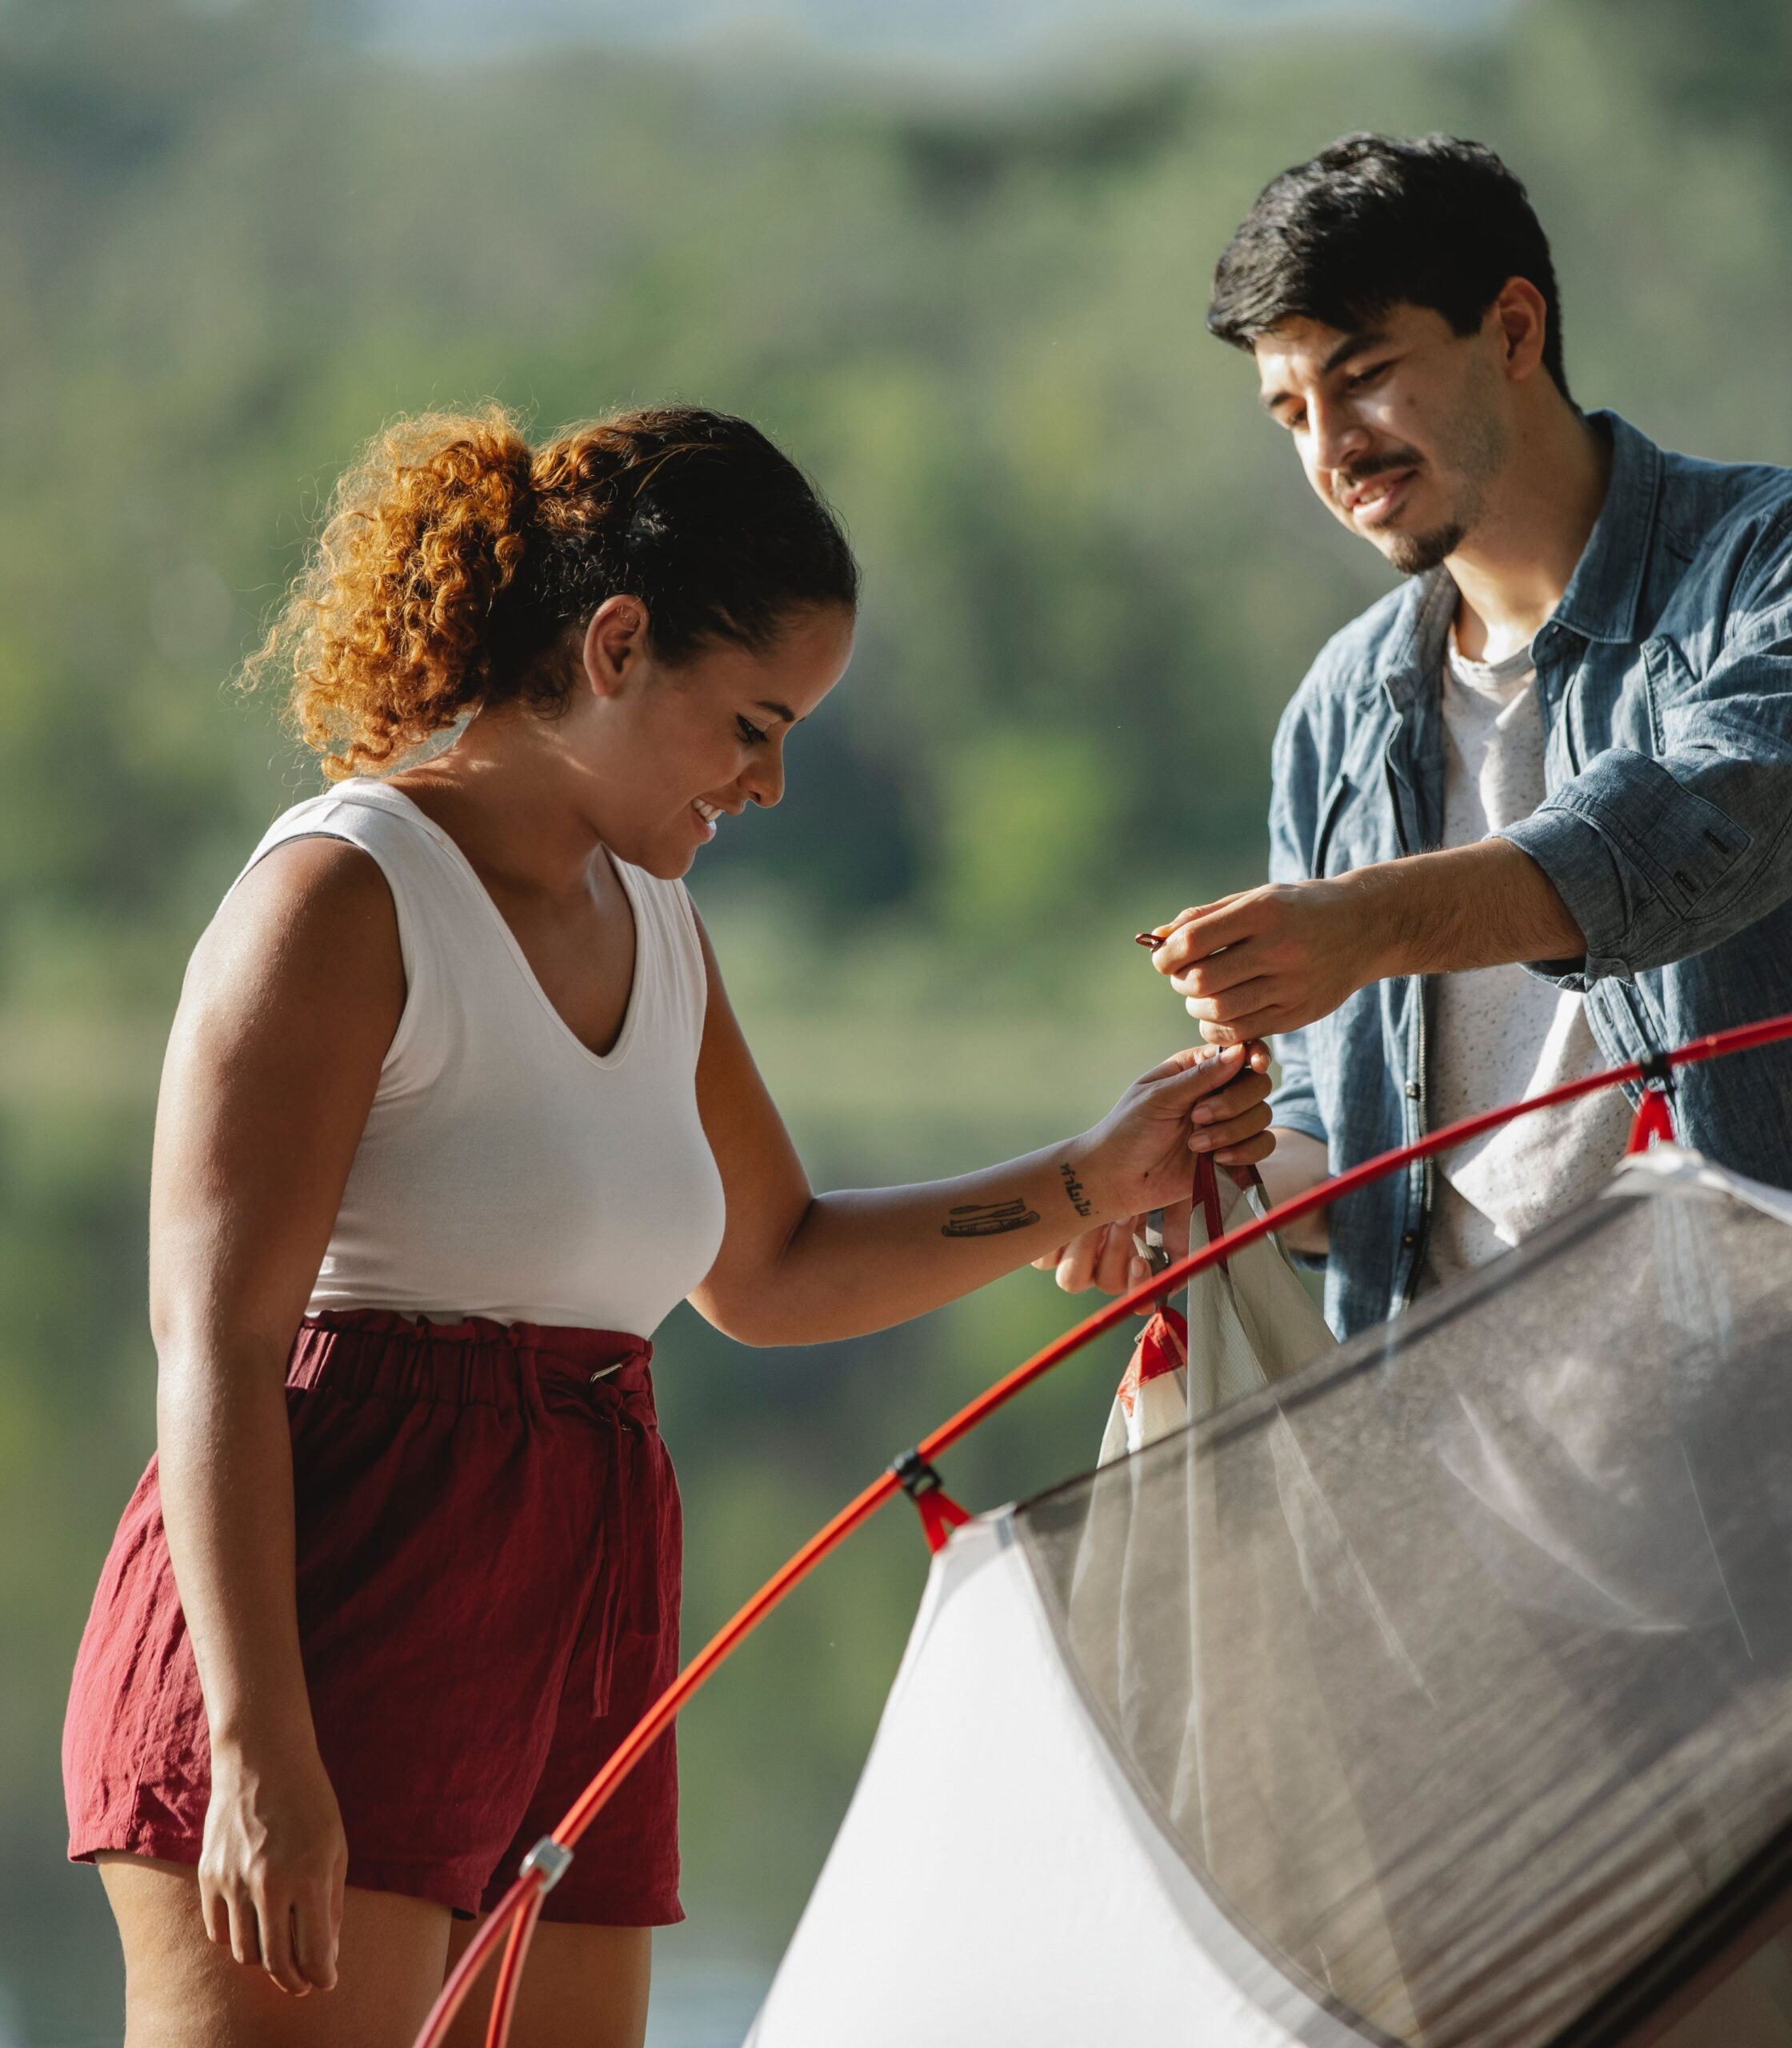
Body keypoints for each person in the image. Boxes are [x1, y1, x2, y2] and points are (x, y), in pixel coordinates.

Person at [60, 402, 1274, 2047]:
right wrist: (261, 1744)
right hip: (323, 1610)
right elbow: (214, 1345)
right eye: (750, 725)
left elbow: (768, 1270)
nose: (767, 783)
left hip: (580, 1609)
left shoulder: (658, 925)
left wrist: (1090, 1174)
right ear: (616, 644)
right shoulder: (339, 899)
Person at [1044, 131, 1792, 1336]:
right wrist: (1202, 1198)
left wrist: (1363, 928)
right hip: (1463, 1464)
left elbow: (1681, 845)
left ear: (1513, 330)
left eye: (1364, 377)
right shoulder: (1338, 706)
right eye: (1291, 410)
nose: (1330, 450)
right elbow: (1337, 1142)